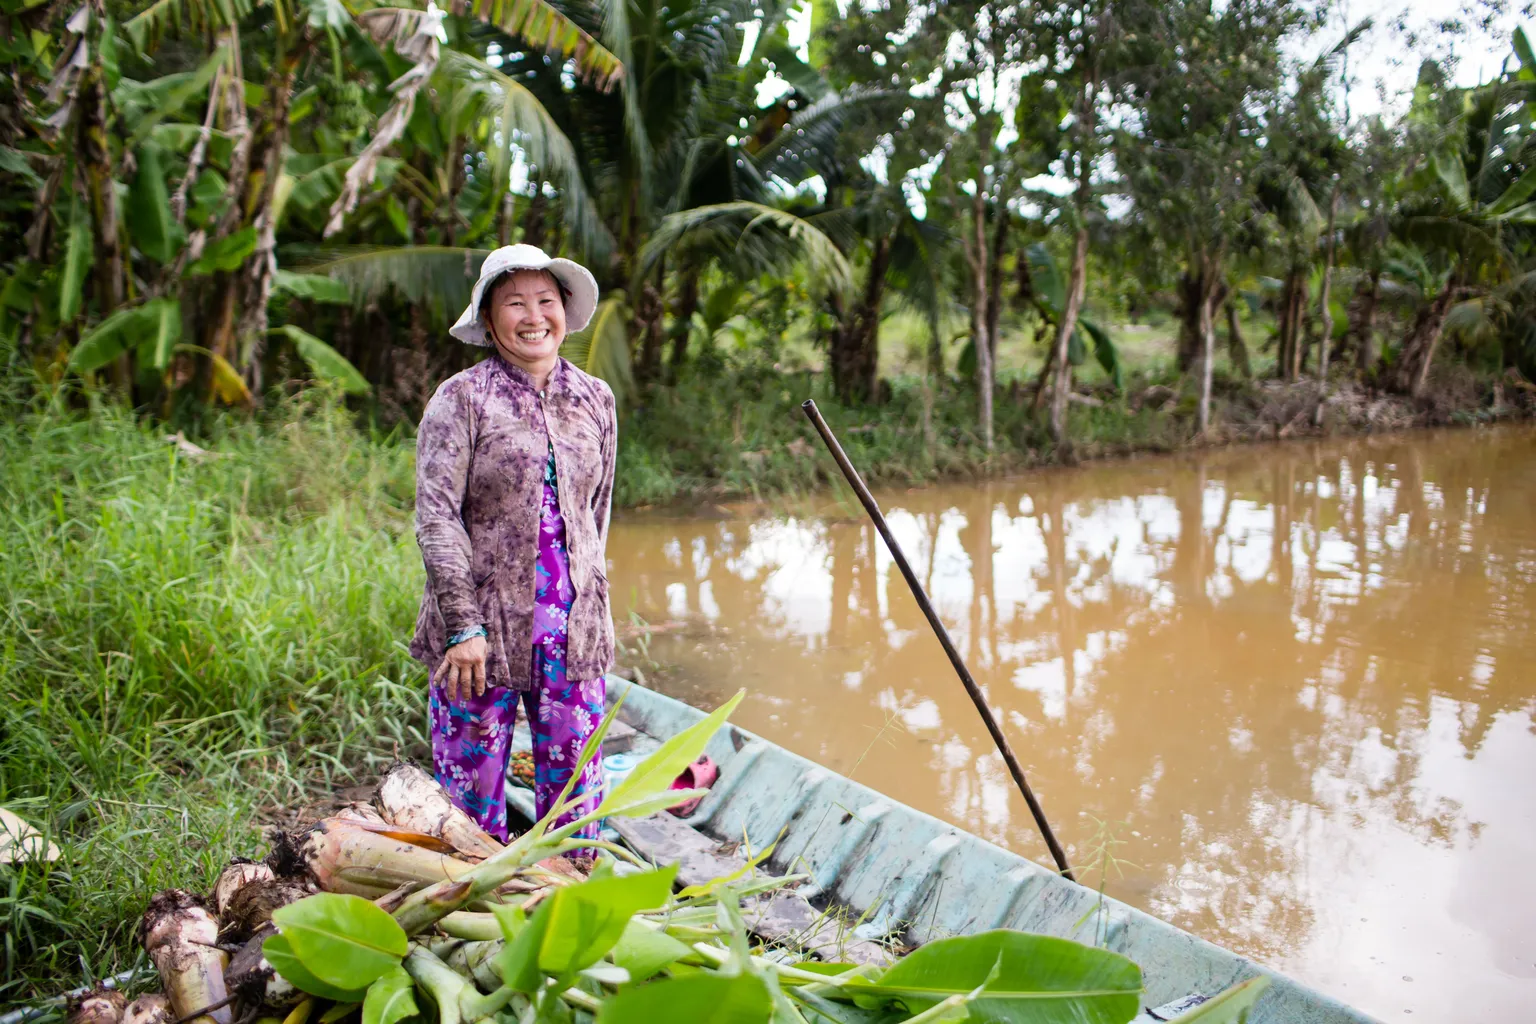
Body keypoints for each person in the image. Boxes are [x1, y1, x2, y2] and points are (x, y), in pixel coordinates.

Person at [410, 244, 617, 843]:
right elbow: (437, 517)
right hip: (481, 638)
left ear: (564, 310)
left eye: (545, 301)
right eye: (515, 303)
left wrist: (597, 614)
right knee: (469, 807)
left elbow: (595, 517)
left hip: (569, 633)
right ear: (490, 317)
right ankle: (479, 923)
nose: (533, 316)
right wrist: (463, 629)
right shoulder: (461, 399)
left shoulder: (595, 398)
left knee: (576, 804)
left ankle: (570, 909)